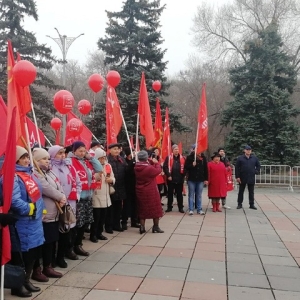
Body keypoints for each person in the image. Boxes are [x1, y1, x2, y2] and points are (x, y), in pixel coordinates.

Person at [9, 146, 45, 297]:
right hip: (22, 222)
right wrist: (30, 209)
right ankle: (17, 285)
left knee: (33, 253)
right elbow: (14, 200)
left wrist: (40, 210)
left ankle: (27, 280)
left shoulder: (30, 174)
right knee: (22, 255)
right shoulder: (12, 176)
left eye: (26, 157)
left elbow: (39, 195)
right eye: (22, 158)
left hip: (35, 221)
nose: (25, 160)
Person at [31, 148, 65, 281]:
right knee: (42, 243)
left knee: (51, 241)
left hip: (54, 213)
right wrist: (60, 197)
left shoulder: (49, 171)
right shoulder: (35, 173)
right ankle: (37, 269)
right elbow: (45, 188)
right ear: (36, 160)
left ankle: (48, 266)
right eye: (43, 159)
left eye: (47, 158)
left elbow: (58, 185)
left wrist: (62, 196)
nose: (47, 161)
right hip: (45, 213)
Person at [48, 145, 82, 265]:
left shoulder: (69, 167)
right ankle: (51, 260)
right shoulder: (49, 167)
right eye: (59, 153)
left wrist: (76, 195)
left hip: (69, 204)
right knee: (53, 233)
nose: (63, 155)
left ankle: (61, 257)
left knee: (66, 232)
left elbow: (78, 182)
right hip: (54, 204)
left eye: (63, 153)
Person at [68, 141, 102, 256]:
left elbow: (99, 168)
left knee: (84, 223)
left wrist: (90, 157)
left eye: (84, 151)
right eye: (80, 151)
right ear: (74, 151)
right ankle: (71, 247)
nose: (82, 153)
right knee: (77, 223)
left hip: (88, 196)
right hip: (77, 197)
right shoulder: (70, 161)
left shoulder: (86, 161)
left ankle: (78, 245)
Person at [135, 150, 164, 234]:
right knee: (155, 208)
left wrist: (150, 161)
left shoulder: (136, 166)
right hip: (150, 190)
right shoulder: (148, 168)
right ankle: (156, 227)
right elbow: (158, 170)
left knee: (142, 209)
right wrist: (156, 163)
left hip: (140, 190)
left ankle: (142, 227)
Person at [90, 148, 115, 242]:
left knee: (103, 217)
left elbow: (113, 177)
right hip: (96, 194)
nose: (102, 160)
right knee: (96, 217)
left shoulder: (108, 165)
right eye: (100, 158)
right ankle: (93, 234)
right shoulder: (92, 166)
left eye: (104, 157)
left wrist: (111, 180)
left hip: (105, 195)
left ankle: (99, 233)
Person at [106, 143, 127, 233]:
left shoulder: (122, 159)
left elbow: (126, 170)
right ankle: (109, 226)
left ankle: (117, 225)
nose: (117, 151)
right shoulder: (107, 160)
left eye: (118, 149)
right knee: (110, 209)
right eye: (114, 149)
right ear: (110, 150)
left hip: (121, 186)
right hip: (110, 187)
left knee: (118, 208)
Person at [235, 145, 261, 210]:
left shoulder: (254, 158)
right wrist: (237, 176)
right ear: (244, 150)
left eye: (249, 150)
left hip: (251, 177)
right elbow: (237, 168)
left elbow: (258, 166)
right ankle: (239, 204)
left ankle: (251, 204)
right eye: (247, 150)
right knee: (241, 191)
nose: (248, 151)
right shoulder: (240, 158)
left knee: (251, 192)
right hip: (242, 177)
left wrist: (256, 171)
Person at [184, 147, 208, 215]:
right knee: (191, 194)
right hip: (191, 179)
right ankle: (191, 209)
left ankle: (199, 209)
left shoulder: (203, 158)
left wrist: (206, 179)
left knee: (199, 195)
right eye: (196, 149)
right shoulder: (190, 157)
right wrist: (192, 165)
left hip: (200, 179)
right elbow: (186, 167)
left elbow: (205, 169)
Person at [163, 144, 185, 213]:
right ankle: (169, 207)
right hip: (171, 179)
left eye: (177, 149)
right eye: (175, 149)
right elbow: (165, 167)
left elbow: (185, 168)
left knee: (179, 194)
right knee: (170, 194)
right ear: (172, 150)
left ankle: (180, 207)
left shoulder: (182, 158)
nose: (177, 150)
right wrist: (168, 175)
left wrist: (183, 176)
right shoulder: (169, 158)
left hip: (179, 179)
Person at [123, 147, 140, 228]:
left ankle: (134, 221)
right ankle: (124, 222)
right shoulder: (124, 161)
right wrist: (132, 162)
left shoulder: (136, 161)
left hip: (135, 186)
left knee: (135, 205)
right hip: (127, 186)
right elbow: (126, 170)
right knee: (126, 205)